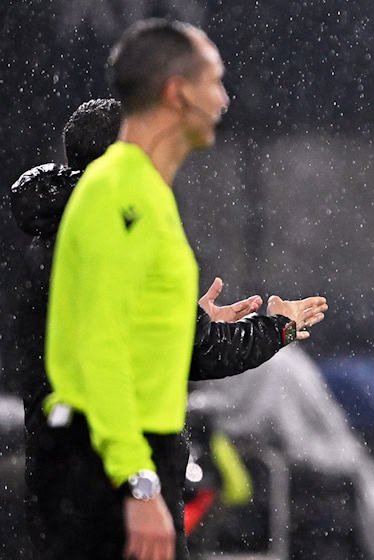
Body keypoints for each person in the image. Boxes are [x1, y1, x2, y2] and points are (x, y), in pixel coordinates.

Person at [38, 20, 308, 560]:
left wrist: (193, 325)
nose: (225, 98)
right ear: (177, 92)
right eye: (214, 80)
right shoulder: (118, 194)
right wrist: (137, 482)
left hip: (133, 456)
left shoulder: (145, 191)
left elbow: (135, 335)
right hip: (110, 464)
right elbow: (100, 347)